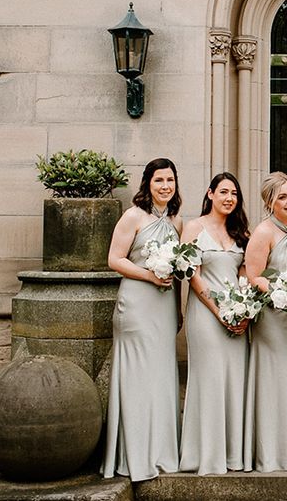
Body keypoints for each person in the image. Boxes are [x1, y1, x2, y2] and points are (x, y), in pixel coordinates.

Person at [102, 158, 183, 482]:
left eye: (170, 180)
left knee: (161, 376)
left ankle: (161, 452)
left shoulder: (177, 221)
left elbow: (178, 271)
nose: (165, 186)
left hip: (164, 307)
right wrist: (149, 276)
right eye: (159, 180)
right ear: (147, 183)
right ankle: (134, 456)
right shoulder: (133, 216)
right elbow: (114, 259)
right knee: (137, 378)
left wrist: (178, 309)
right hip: (136, 304)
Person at [179, 172, 251, 475]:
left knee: (234, 380)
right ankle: (205, 456)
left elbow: (245, 273)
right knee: (209, 380)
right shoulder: (193, 228)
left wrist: (243, 310)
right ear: (210, 194)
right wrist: (219, 311)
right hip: (205, 314)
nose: (229, 198)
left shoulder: (240, 233)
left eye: (234, 193)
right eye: (223, 192)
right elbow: (192, 276)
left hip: (236, 313)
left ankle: (233, 455)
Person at [243, 172, 287, 473]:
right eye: (282, 197)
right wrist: (283, 293)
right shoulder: (263, 232)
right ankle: (273, 454)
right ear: (269, 202)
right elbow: (253, 276)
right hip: (273, 319)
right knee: (275, 382)